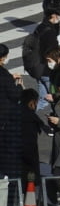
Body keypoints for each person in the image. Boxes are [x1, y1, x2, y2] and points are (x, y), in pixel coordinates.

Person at [27, 5, 60, 110]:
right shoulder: (50, 32)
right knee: (55, 96)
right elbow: (52, 51)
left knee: (43, 99)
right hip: (47, 69)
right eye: (59, 15)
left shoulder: (40, 27)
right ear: (53, 16)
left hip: (37, 67)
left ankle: (34, 115)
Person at [0, 44, 24, 181]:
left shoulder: (5, 75)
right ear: (2, 58)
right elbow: (15, 95)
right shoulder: (4, 76)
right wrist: (19, 86)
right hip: (4, 117)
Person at [21, 88, 44, 187]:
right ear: (32, 102)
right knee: (29, 188)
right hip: (28, 160)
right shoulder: (31, 119)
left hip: (15, 159)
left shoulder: (16, 113)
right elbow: (29, 144)